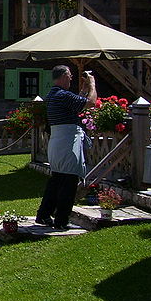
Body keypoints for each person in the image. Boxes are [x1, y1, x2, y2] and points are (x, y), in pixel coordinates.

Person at [36, 65, 97, 230]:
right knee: (69, 183)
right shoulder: (62, 95)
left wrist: (83, 91)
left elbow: (75, 104)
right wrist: (92, 83)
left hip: (58, 141)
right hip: (68, 142)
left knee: (56, 180)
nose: (71, 78)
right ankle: (61, 220)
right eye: (69, 75)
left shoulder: (54, 95)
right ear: (63, 76)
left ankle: (43, 215)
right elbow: (91, 103)